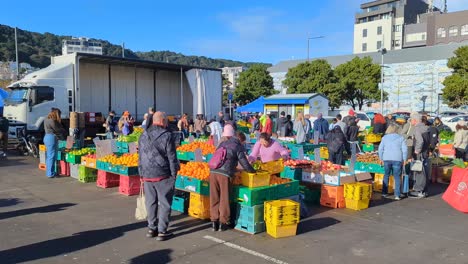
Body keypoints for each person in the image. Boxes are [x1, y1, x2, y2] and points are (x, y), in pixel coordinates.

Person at [138, 111, 179, 241]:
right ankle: (162, 231)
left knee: (151, 202)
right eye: (166, 121)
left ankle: (152, 228)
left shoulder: (143, 135)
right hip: (163, 174)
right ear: (162, 121)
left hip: (147, 174)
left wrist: (141, 173)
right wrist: (174, 175)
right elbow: (172, 157)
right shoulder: (167, 136)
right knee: (165, 203)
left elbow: (140, 157)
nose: (167, 123)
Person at [210, 124, 255, 231]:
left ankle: (214, 222)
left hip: (213, 172)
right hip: (225, 174)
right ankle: (223, 222)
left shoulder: (222, 143)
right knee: (224, 198)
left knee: (214, 197)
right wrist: (252, 171)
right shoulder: (237, 145)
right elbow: (244, 162)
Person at [378, 124, 407, 200]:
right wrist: (404, 159)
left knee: (386, 175)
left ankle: (384, 193)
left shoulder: (384, 138)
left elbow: (380, 149)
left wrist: (381, 158)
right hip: (397, 159)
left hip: (386, 158)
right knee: (397, 177)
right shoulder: (401, 138)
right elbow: (404, 150)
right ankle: (397, 195)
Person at [409, 112, 430, 199]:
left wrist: (417, 150)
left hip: (420, 153)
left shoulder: (417, 129)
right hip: (425, 152)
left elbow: (420, 141)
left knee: (419, 171)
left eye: (411, 120)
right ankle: (424, 191)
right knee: (424, 171)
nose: (410, 122)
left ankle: (419, 191)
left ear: (414, 120)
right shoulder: (425, 128)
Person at [43, 108, 67, 178]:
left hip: (47, 137)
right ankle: (50, 173)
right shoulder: (52, 120)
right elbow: (57, 130)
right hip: (51, 138)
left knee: (50, 156)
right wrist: (63, 130)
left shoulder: (46, 118)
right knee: (52, 156)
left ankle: (50, 172)